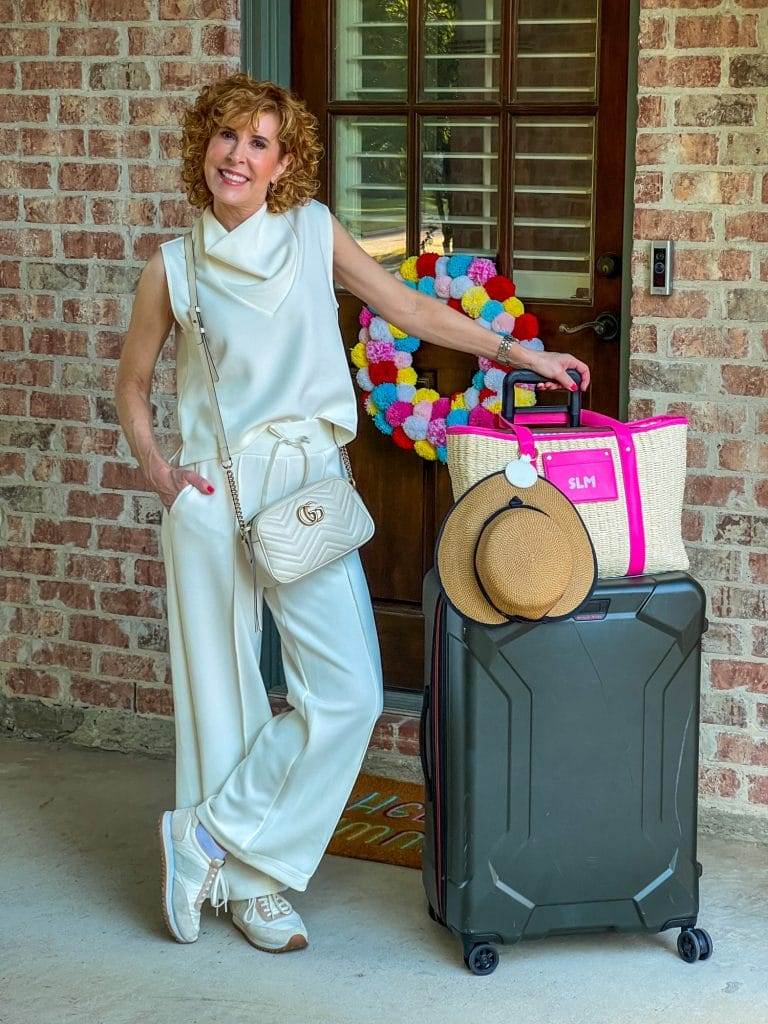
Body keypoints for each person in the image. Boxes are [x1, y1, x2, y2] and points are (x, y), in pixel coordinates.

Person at [115, 72, 591, 955]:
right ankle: (251, 892)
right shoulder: (171, 267)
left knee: (348, 692)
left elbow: (405, 306)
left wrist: (516, 350)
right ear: (204, 149)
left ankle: (213, 837)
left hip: (302, 489)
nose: (238, 155)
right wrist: (157, 466)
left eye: (259, 142)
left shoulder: (309, 232)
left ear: (282, 161)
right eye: (226, 137)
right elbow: (133, 384)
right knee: (223, 695)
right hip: (212, 492)